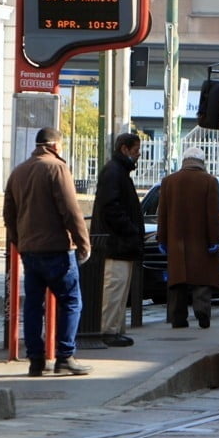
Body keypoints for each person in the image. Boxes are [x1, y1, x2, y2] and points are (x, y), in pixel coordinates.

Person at [3, 127, 92, 377]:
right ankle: (65, 356)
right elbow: (70, 210)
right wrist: (83, 243)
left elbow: (9, 213)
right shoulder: (57, 168)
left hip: (30, 250)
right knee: (71, 301)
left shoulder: (18, 172)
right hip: (57, 250)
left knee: (33, 304)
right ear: (55, 146)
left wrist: (20, 241)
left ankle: (35, 359)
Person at [157, 146, 219, 329]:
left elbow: (162, 213)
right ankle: (202, 315)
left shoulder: (169, 181)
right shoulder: (210, 181)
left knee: (177, 281)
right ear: (202, 162)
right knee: (202, 280)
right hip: (201, 241)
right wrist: (214, 239)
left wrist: (161, 238)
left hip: (176, 241)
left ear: (184, 161)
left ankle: (177, 318)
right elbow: (213, 215)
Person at [90, 132, 145, 347]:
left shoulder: (118, 172)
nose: (139, 155)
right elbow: (111, 207)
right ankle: (108, 330)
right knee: (114, 287)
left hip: (120, 243)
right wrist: (130, 229)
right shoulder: (114, 172)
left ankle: (114, 328)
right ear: (125, 149)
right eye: (136, 150)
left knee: (119, 289)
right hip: (116, 243)